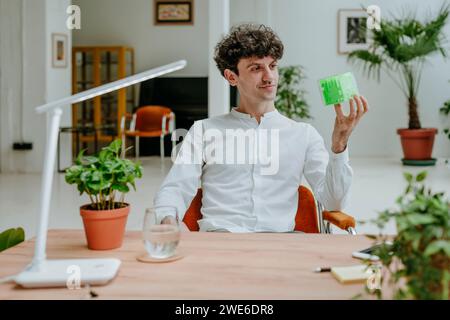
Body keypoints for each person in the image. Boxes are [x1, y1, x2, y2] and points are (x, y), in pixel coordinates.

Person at [153, 24, 369, 233]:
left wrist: (339, 146)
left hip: (281, 244)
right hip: (220, 240)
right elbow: (176, 187)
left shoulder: (303, 134)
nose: (269, 77)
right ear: (231, 77)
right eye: (256, 68)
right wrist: (169, 220)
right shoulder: (204, 131)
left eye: (272, 66)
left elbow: (333, 202)